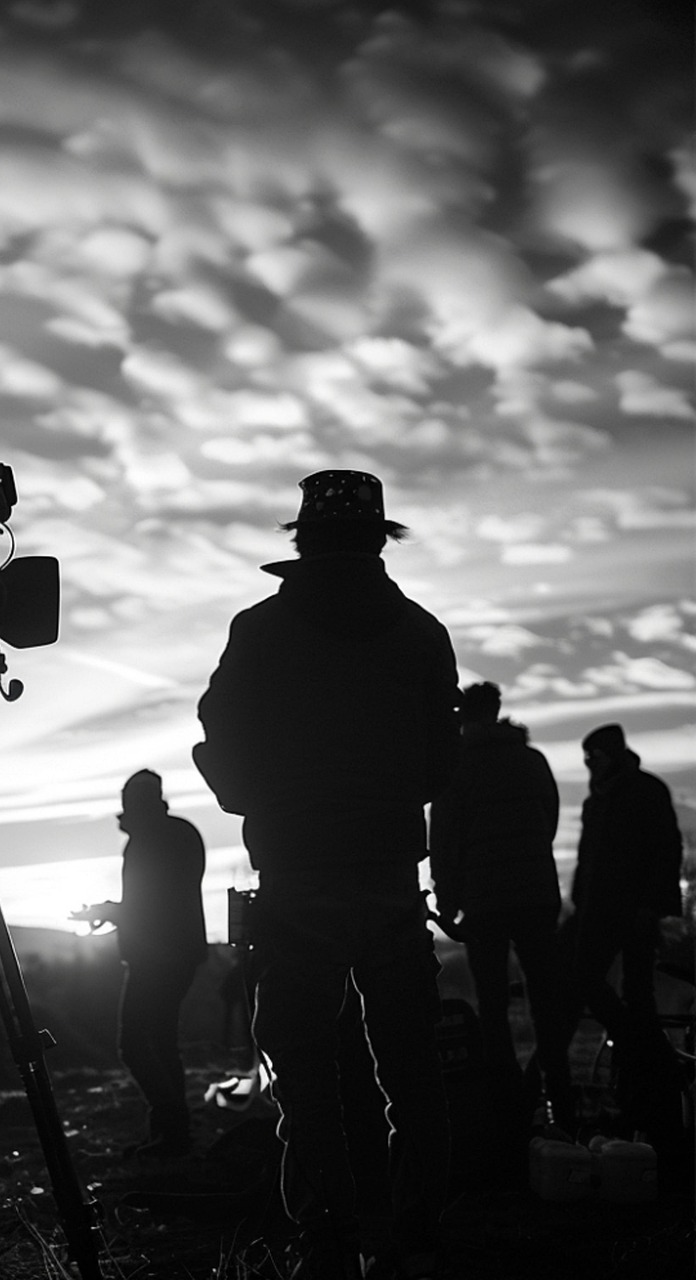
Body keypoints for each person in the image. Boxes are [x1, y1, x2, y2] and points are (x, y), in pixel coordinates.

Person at [195, 471, 460, 1280]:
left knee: (303, 1064)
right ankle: (415, 1226)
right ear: (380, 540)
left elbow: (219, 732)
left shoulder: (261, 629)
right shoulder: (421, 634)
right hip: (385, 874)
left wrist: (249, 796)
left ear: (301, 541)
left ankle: (329, 1234)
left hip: (298, 874)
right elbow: (441, 767)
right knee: (411, 1064)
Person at [428, 682, 568, 1129]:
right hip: (537, 894)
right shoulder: (532, 761)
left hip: (485, 900)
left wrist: (447, 901)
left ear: (463, 718)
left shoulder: (457, 768)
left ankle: (506, 1103)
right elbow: (549, 819)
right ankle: (558, 1096)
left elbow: (444, 840)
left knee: (492, 1002)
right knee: (545, 996)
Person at [553, 724, 685, 1164]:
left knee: (627, 990)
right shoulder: (606, 797)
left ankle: (644, 1068)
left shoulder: (637, 793)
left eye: (593, 757)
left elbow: (667, 849)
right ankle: (644, 1055)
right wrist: (578, 902)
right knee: (612, 987)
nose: (590, 764)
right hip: (601, 911)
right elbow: (590, 858)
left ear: (607, 755)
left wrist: (651, 904)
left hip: (629, 911)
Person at [71, 770, 208, 1157]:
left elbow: (151, 906)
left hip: (158, 958)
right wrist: (114, 912)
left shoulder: (150, 841)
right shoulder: (180, 834)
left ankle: (172, 1127)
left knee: (135, 1044)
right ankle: (172, 1133)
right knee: (162, 1043)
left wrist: (108, 911)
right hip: (178, 953)